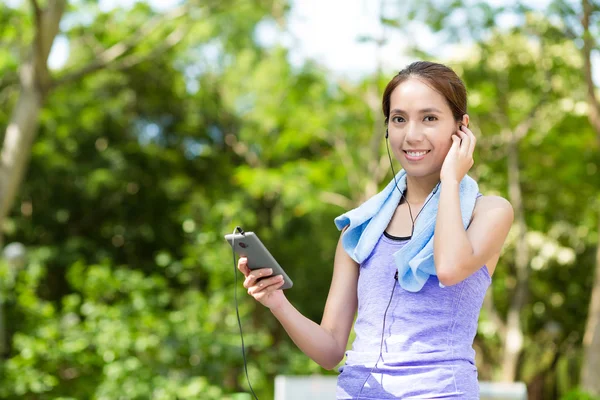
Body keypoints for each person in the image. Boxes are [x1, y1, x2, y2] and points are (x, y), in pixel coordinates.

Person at [237, 61, 514, 399]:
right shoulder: (360, 229)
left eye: (429, 118)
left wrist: (450, 180)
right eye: (399, 119)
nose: (411, 134)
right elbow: (330, 350)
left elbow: (450, 267)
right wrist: (276, 301)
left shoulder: (490, 211)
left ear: (461, 128)